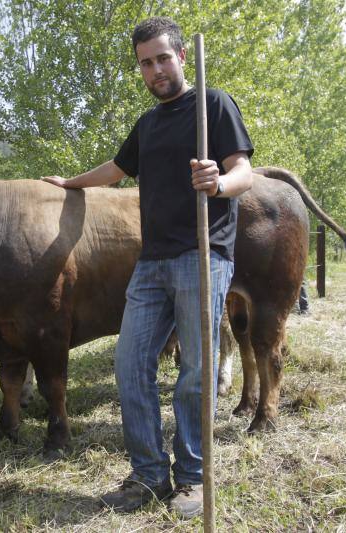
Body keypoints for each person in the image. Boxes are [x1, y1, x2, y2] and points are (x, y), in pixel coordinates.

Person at [42, 17, 253, 518]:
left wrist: (218, 182)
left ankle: (193, 478)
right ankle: (148, 475)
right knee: (130, 365)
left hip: (203, 257)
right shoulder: (148, 123)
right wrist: (68, 183)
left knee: (196, 373)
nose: (155, 69)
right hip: (152, 262)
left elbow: (243, 171)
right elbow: (115, 171)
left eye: (162, 58)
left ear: (181, 56)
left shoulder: (213, 105)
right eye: (145, 62)